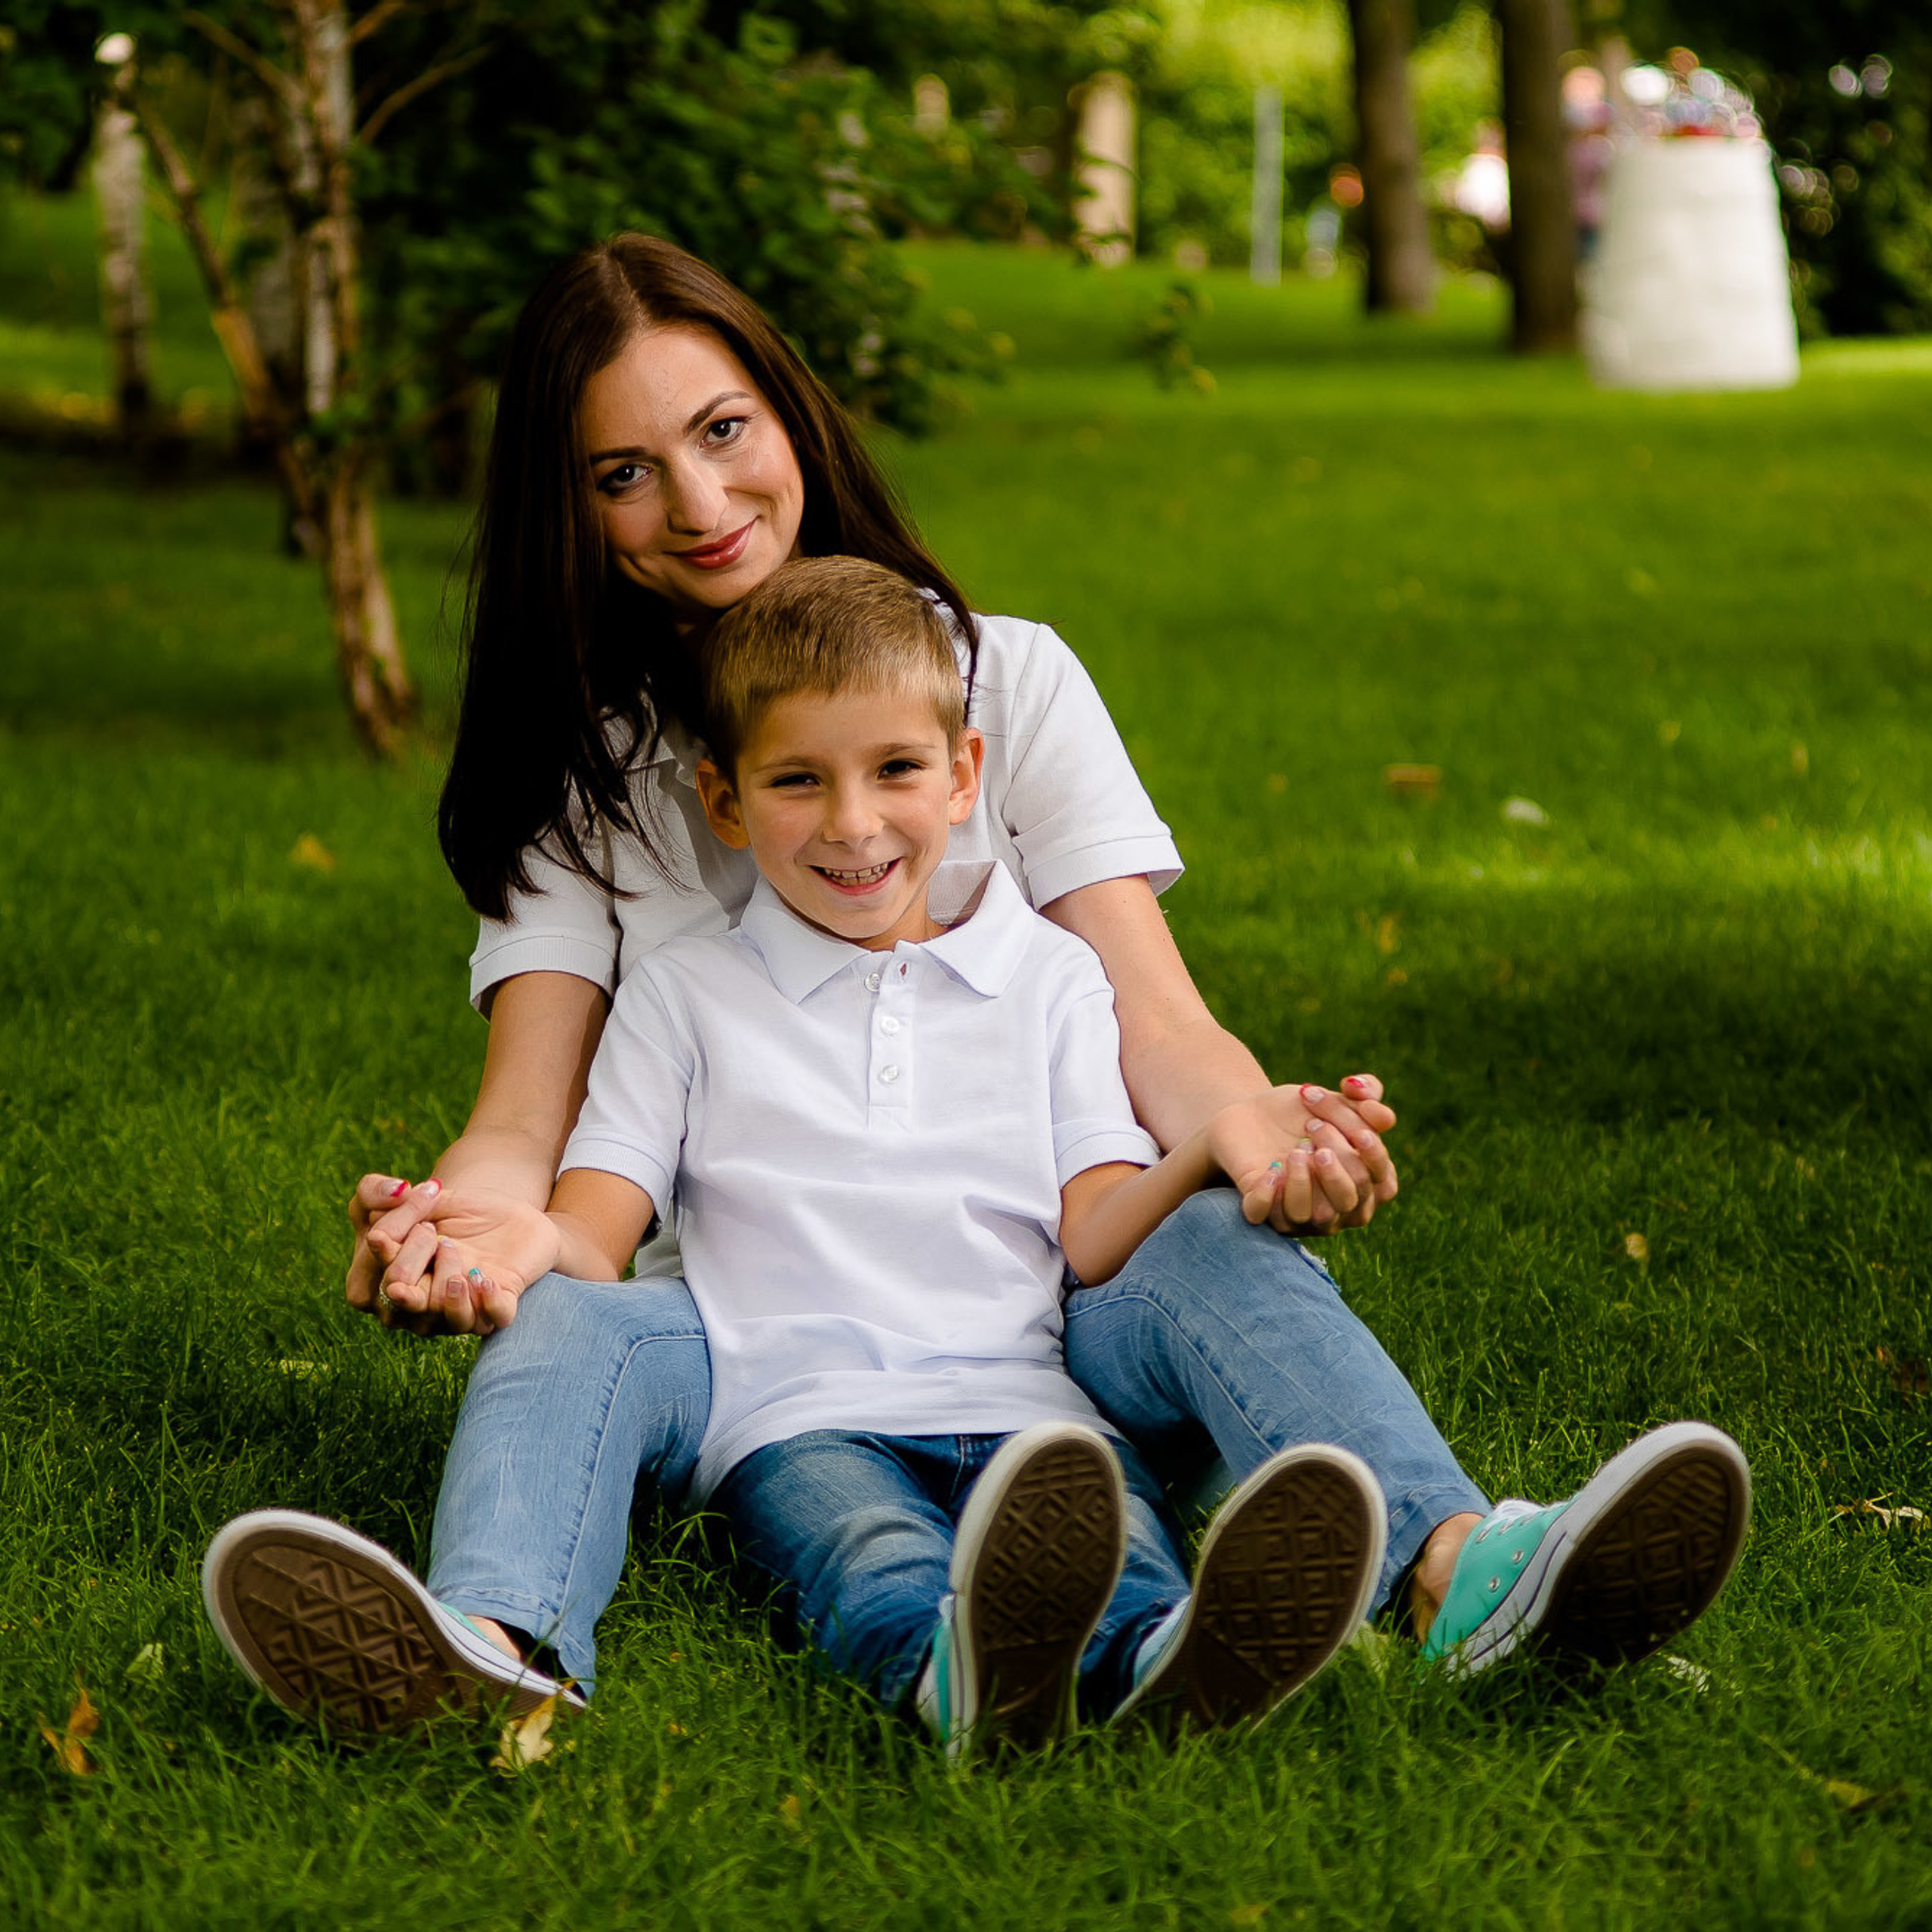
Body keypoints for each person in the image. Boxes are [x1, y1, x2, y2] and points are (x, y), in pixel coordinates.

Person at [202, 234, 1750, 1738]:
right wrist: (471, 1232)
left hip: (1030, 1310)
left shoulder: (1002, 679)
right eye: (622, 473)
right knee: (579, 1315)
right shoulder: (593, 788)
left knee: (1211, 1224)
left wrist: (1255, 1133)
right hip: (758, 1327)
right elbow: (525, 1123)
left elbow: (1154, 1019)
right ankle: (493, 1637)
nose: (697, 501)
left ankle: (1456, 1569)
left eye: (721, 429)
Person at [384, 556, 1392, 1749]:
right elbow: (598, 1231)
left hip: (1028, 1401)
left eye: (896, 770)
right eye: (798, 781)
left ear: (965, 774)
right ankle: (944, 1676)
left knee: (1108, 1537)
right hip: (798, 1414)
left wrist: (1213, 1145)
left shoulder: (1053, 979)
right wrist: (521, 1239)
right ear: (724, 802)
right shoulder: (683, 994)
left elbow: (1095, 1232)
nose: (853, 825)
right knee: (872, 1555)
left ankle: (1169, 1655)